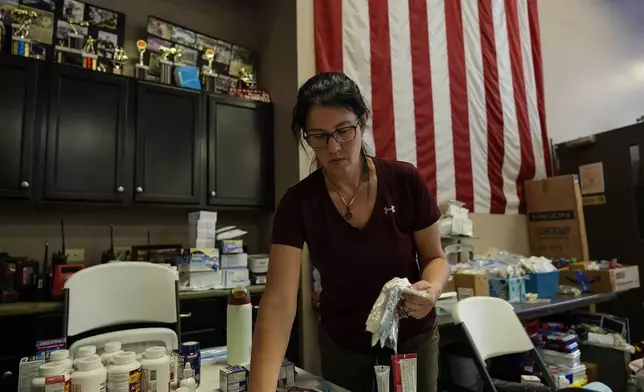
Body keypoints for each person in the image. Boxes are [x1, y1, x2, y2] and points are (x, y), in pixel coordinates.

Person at [249, 72, 449, 392]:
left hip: (411, 340)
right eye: (318, 136)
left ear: (363, 122)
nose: (333, 147)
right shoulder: (299, 203)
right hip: (345, 346)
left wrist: (432, 290)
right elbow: (278, 301)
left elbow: (435, 257)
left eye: (344, 131)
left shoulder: (404, 180)